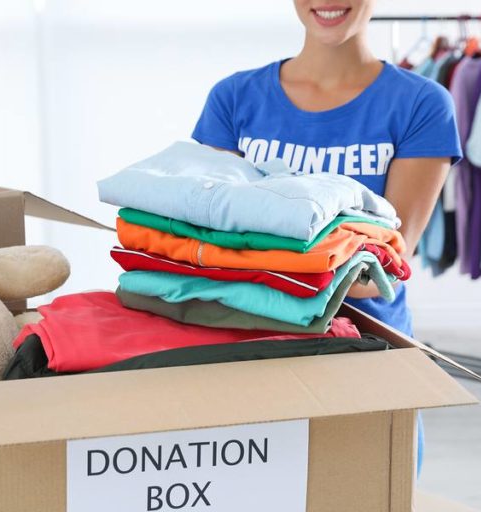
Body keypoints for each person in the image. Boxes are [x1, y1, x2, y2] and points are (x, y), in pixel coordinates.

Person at [191, 1, 462, 475]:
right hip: (247, 355)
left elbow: (379, 275)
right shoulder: (234, 98)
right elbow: (208, 246)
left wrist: (255, 251)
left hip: (368, 356)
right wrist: (331, 250)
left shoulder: (421, 105)